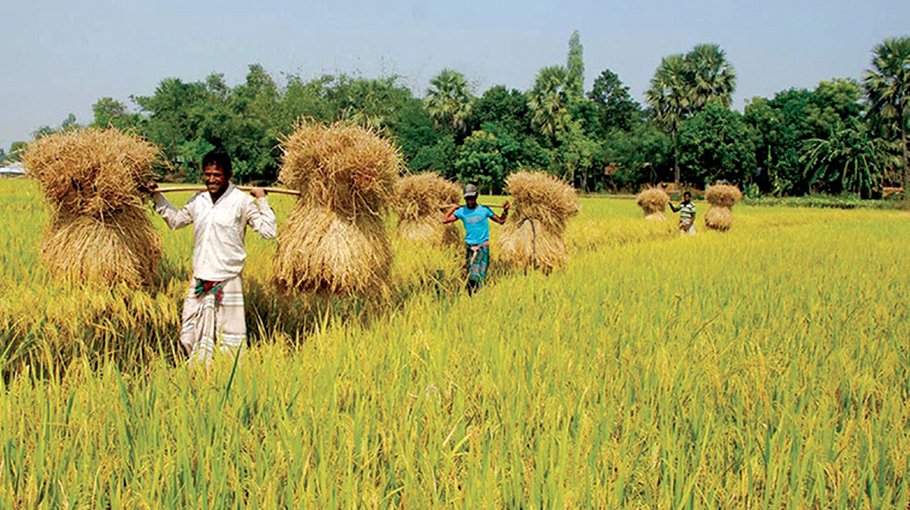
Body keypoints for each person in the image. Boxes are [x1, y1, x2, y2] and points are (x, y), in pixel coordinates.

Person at [147, 151, 277, 366]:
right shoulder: (199, 200)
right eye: (207, 174)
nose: (211, 180)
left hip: (228, 278)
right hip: (201, 277)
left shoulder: (242, 202)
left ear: (228, 175)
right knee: (189, 332)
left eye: (217, 175)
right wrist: (157, 197)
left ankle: (226, 376)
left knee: (228, 340)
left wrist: (262, 200)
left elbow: (268, 231)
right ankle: (195, 371)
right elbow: (176, 221)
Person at [442, 184, 510, 294]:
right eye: (468, 198)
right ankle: (471, 295)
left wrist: (506, 211)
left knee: (480, 273)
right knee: (471, 273)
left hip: (483, 246)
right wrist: (453, 208)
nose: (470, 201)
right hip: (469, 246)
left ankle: (478, 295)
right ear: (465, 198)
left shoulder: (484, 210)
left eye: (472, 198)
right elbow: (445, 220)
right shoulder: (461, 211)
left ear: (476, 196)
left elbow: (501, 221)